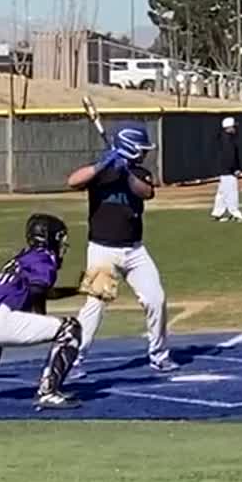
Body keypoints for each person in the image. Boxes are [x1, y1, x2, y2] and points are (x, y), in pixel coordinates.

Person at [66, 121, 175, 374]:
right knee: (95, 305)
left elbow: (146, 192)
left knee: (156, 299)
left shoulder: (140, 173)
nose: (145, 153)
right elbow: (73, 181)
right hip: (102, 252)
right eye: (142, 148)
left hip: (135, 251)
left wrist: (126, 172)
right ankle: (73, 359)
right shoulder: (102, 171)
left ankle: (159, 355)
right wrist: (104, 164)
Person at [0, 214, 82, 407]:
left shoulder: (20, 259)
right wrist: (40, 317)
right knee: (71, 328)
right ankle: (48, 391)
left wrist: (76, 290)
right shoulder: (44, 258)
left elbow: (36, 290)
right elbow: (39, 290)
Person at [211, 115, 242, 222]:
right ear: (229, 127)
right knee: (231, 192)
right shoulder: (228, 140)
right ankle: (235, 214)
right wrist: (234, 169)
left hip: (223, 169)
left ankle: (217, 213)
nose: (235, 128)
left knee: (222, 193)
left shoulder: (224, 137)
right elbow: (229, 156)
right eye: (234, 126)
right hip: (228, 170)